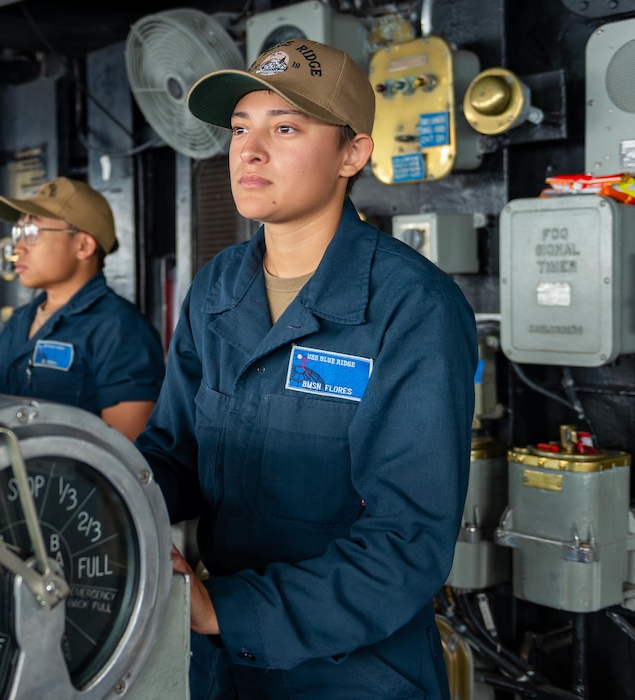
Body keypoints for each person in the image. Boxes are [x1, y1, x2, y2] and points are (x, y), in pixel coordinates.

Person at [134, 39, 478, 698]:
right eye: (240, 129)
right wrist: (87, 491)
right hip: (218, 665)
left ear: (352, 154)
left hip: (353, 672)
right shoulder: (218, 288)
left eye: (284, 128)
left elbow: (406, 542)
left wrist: (223, 610)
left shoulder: (412, 307)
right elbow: (173, 453)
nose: (249, 150)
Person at [0, 176, 165, 442]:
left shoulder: (120, 329)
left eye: (31, 234)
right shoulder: (20, 321)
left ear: (84, 246)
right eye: (18, 234)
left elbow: (126, 457)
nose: (17, 249)